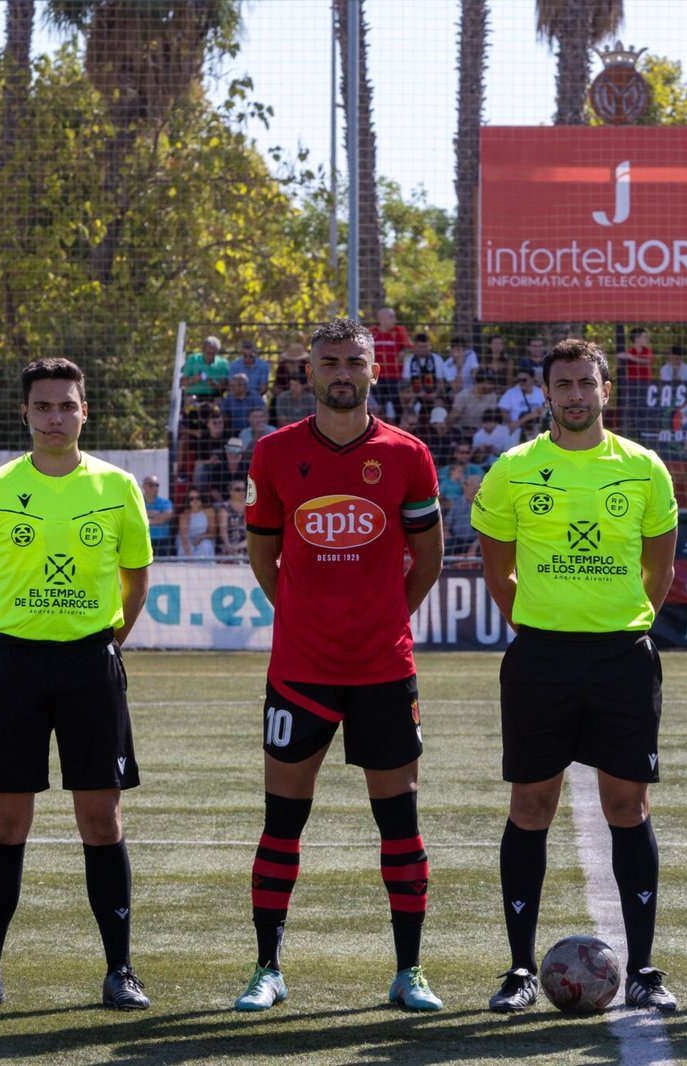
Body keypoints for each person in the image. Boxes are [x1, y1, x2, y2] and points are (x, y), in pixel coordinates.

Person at [233, 317, 445, 1014]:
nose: (342, 371)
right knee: (282, 820)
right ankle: (268, 968)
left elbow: (430, 557)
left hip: (384, 667)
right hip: (301, 668)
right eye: (330, 361)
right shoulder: (273, 453)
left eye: (355, 359)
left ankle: (409, 972)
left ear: (374, 370)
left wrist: (386, 616)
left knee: (400, 822)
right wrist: (301, 613)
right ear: (311, 372)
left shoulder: (409, 455)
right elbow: (264, 554)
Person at [472, 338, 679, 1013]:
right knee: (531, 807)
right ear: (546, 393)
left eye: (586, 382)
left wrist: (620, 618)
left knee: (629, 807)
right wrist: (537, 623)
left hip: (622, 657)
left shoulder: (645, 469)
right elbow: (497, 567)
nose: (575, 394)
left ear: (605, 389)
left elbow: (660, 568)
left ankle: (645, 969)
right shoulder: (513, 470)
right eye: (563, 384)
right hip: (541, 660)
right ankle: (519, 971)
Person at [0, 357, 152, 1013]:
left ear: (84, 411)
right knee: (6, 821)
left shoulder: (118, 488)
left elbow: (136, 578)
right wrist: (7, 636)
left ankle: (120, 970)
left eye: (67, 405)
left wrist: (105, 643)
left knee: (101, 817)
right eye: (44, 407)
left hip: (91, 666)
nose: (56, 417)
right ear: (26, 414)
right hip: (14, 668)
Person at [498, 367, 546, 440]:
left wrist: (518, 423)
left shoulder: (540, 392)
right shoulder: (511, 392)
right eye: (519, 380)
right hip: (516, 430)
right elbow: (503, 409)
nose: (521, 382)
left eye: (524, 380)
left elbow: (541, 411)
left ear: (532, 379)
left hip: (535, 428)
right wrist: (510, 423)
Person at [182, 336, 230, 400]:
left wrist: (214, 384)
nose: (211, 356)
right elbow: (183, 383)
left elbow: (224, 388)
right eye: (208, 353)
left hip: (214, 396)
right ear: (203, 350)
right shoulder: (193, 359)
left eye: (213, 353)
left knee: (219, 402)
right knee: (190, 400)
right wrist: (194, 379)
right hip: (193, 395)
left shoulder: (223, 363)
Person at [141, 475, 174, 558]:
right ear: (144, 486)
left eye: (157, 485)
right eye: (151, 485)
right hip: (143, 541)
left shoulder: (165, 502)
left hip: (162, 541)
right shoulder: (137, 502)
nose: (154, 487)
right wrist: (155, 514)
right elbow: (134, 517)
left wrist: (146, 520)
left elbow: (165, 517)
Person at [176, 490, 215, 558]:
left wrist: (201, 537)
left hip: (204, 538)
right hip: (186, 539)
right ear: (188, 501)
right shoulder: (185, 514)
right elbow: (184, 537)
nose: (195, 500)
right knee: (185, 550)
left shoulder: (209, 511)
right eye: (191, 499)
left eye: (197, 498)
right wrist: (189, 556)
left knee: (205, 546)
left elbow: (212, 533)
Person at [217, 479, 249, 557]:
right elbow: (223, 531)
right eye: (238, 489)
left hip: (247, 543)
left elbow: (251, 532)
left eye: (243, 489)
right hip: (229, 543)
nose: (242, 492)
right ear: (230, 491)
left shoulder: (250, 506)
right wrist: (228, 545)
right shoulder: (225, 507)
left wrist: (237, 547)